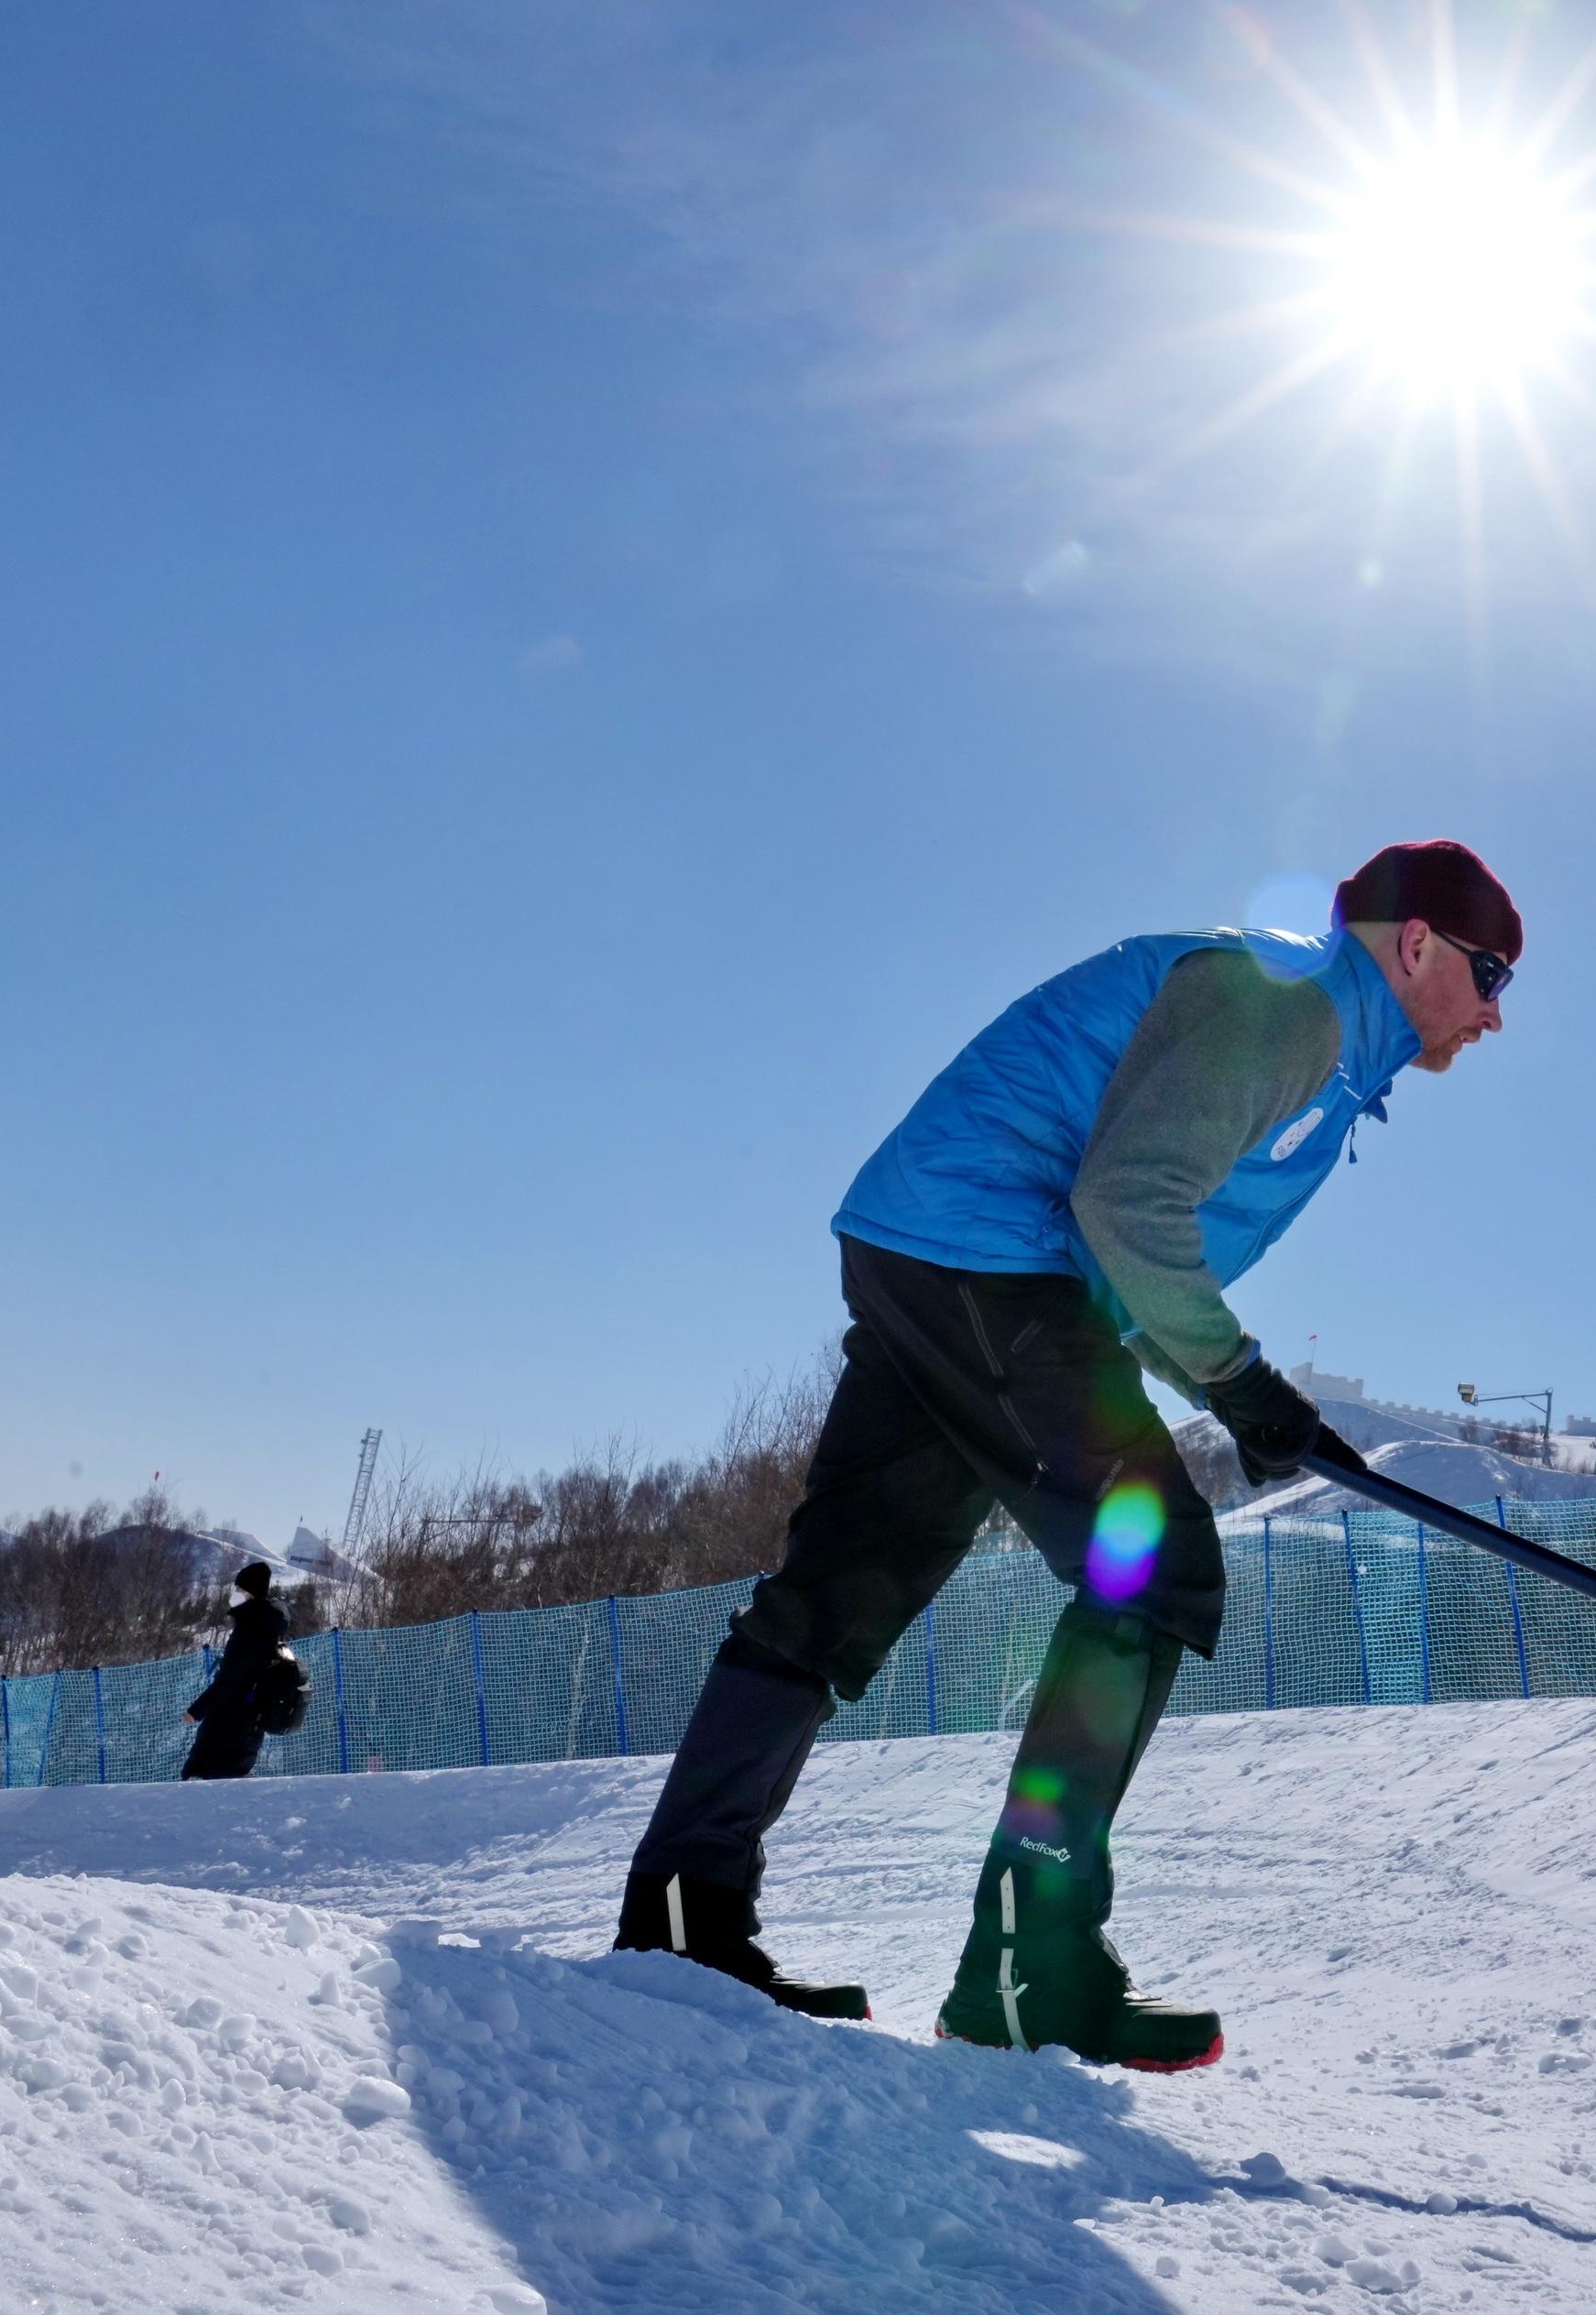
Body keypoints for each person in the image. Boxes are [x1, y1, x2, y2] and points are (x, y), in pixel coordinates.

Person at [614, 840, 1521, 2069]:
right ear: (1415, 943)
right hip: (987, 1241)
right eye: (1489, 969)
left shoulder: (1320, 1034)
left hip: (931, 1241)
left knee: (839, 1590)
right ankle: (1027, 1966)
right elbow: (1125, 1207)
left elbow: (1122, 1254)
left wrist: (1239, 1391)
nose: (1494, 1011)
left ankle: (680, 1918)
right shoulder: (1291, 1008)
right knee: (1151, 1553)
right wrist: (1240, 1377)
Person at [180, 1559, 290, 1781]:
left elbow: (230, 1679)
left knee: (206, 1777)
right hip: (249, 1717)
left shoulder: (250, 1630)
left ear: (251, 1593)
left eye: (240, 1589)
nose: (235, 1594)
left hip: (230, 1719)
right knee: (231, 1775)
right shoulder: (268, 1627)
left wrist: (197, 1710)